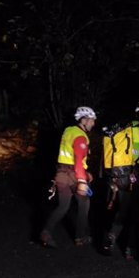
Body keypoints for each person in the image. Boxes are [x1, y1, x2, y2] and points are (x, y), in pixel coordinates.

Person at [100, 98, 139, 258]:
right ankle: (130, 249)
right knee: (136, 212)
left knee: (122, 208)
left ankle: (112, 236)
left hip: (121, 173)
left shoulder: (125, 127)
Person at [40, 106, 96, 248]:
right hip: (73, 176)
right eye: (91, 120)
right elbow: (78, 160)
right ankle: (80, 237)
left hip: (61, 174)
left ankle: (46, 232)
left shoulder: (68, 131)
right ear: (84, 120)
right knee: (84, 203)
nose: (93, 123)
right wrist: (83, 180)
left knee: (63, 206)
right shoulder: (81, 137)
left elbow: (68, 157)